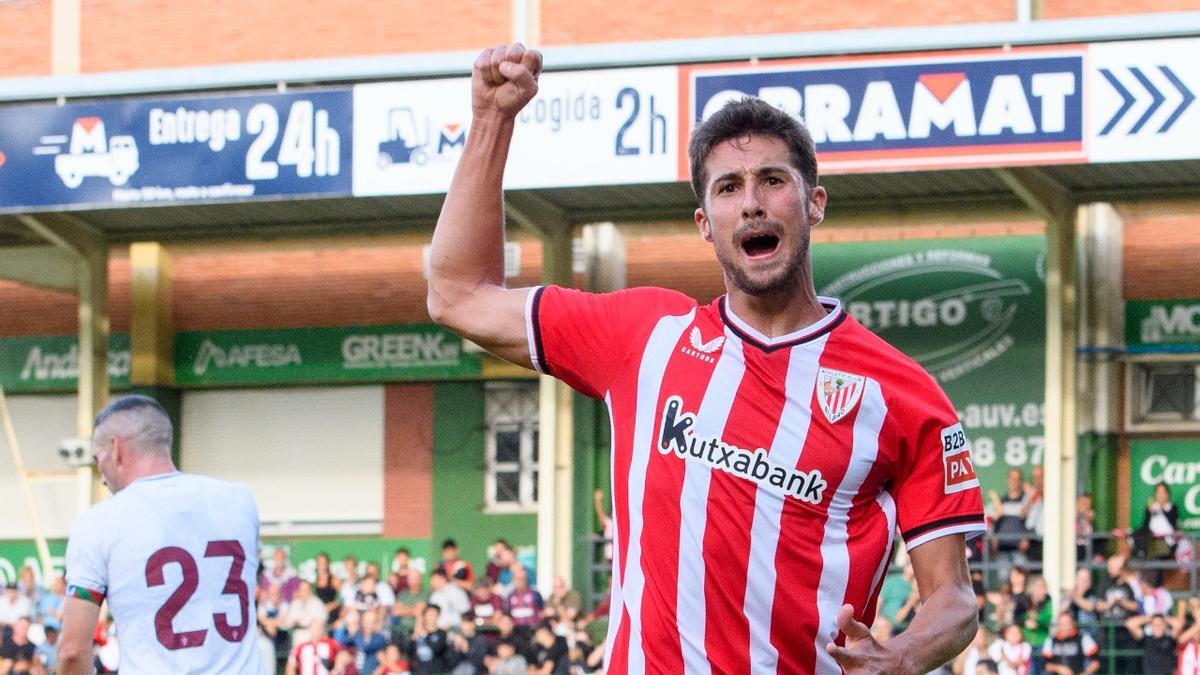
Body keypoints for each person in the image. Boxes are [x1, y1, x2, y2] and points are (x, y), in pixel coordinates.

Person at [426, 43, 985, 674]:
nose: (751, 202)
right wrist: (491, 120)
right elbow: (458, 294)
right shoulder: (642, 337)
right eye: (728, 187)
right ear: (704, 220)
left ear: (815, 203)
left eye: (773, 180)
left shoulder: (900, 394)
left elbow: (955, 596)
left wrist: (904, 656)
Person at [56, 395, 261, 674]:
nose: (101, 475)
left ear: (116, 449)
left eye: (97, 458)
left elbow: (71, 651)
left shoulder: (98, 522)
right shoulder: (240, 501)